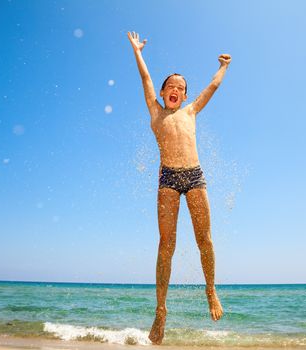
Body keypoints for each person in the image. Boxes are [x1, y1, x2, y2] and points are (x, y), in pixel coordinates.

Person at [127, 31, 231, 345]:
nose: (176, 89)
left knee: (205, 238)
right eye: (170, 86)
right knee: (166, 245)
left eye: (181, 88)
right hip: (168, 181)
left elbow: (212, 86)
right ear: (162, 92)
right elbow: (144, 77)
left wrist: (223, 66)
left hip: (195, 176)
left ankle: (211, 289)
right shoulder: (155, 111)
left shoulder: (190, 111)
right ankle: (161, 310)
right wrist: (137, 51)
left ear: (185, 96)